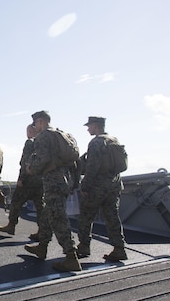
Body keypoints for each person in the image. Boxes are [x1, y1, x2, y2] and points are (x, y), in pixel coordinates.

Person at [24, 111, 81, 272]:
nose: (35, 127)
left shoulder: (44, 136)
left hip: (53, 182)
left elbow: (42, 159)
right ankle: (42, 247)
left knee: (58, 218)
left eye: (36, 124)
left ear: (40, 121)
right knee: (48, 215)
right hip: (64, 179)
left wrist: (30, 168)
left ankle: (71, 256)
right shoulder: (61, 134)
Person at [77, 116, 127, 261]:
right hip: (115, 184)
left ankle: (84, 246)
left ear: (96, 126)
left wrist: (85, 185)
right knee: (112, 217)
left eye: (89, 126)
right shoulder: (114, 140)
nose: (88, 129)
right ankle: (119, 248)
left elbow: (92, 167)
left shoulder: (96, 142)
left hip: (97, 186)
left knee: (86, 216)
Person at [0, 124, 44, 236]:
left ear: (30, 131)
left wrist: (21, 178)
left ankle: (11, 225)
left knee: (16, 202)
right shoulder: (43, 143)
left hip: (29, 179)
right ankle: (42, 231)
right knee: (40, 207)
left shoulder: (30, 142)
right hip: (41, 180)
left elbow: (25, 162)